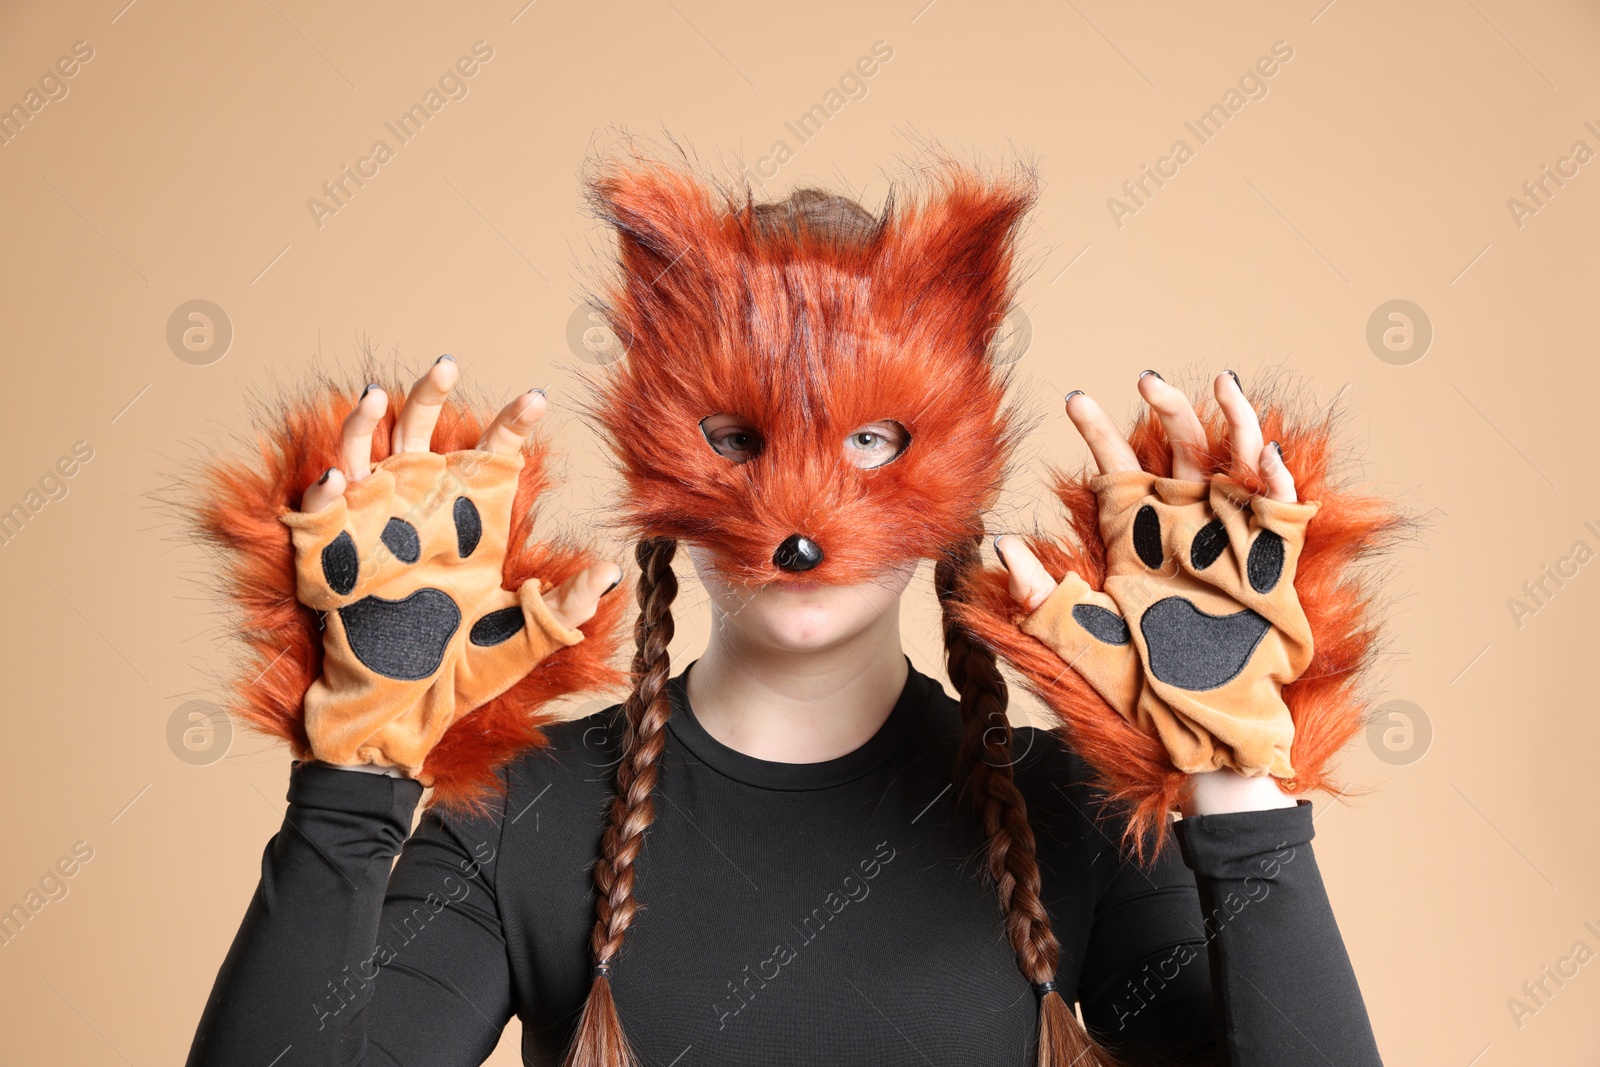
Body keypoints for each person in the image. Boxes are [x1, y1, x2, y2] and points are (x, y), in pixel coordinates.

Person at [185, 155, 1386, 1067]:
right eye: (736, 438)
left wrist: (1238, 784)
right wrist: (354, 777)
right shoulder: (524, 817)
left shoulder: (1069, 816)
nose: (799, 516)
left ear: (956, 457)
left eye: (870, 439)